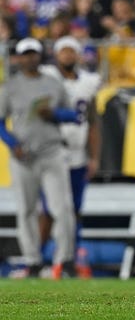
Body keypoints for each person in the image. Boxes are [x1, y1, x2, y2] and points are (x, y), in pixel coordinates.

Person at [0, 38, 78, 278]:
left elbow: (72, 114)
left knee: (62, 207)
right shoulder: (10, 87)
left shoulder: (53, 83)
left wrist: (54, 113)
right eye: (26, 54)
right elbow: (1, 122)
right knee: (26, 210)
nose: (30, 58)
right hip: (23, 156)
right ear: (20, 58)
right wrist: (13, 144)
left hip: (51, 152)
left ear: (39, 55)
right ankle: (32, 260)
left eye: (33, 53)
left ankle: (64, 260)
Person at [40, 36, 101, 278]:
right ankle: (37, 258)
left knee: (74, 208)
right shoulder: (46, 78)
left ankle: (69, 260)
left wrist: (94, 156)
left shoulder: (88, 81)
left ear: (77, 55)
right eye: (63, 51)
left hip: (77, 153)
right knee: (49, 210)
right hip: (51, 150)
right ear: (55, 54)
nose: (67, 55)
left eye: (71, 51)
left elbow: (94, 121)